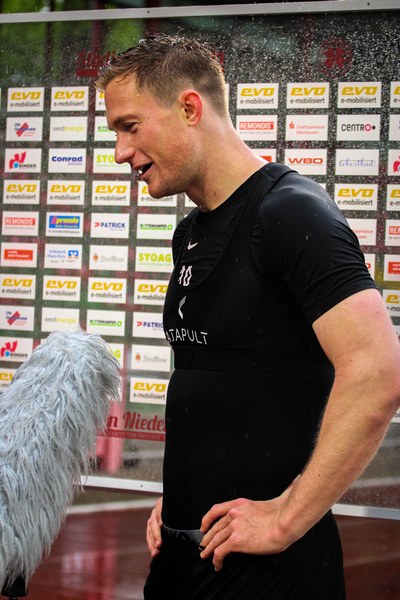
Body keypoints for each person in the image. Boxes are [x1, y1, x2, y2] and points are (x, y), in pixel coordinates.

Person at [95, 34, 400, 599]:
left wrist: (286, 517)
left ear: (190, 108)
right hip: (184, 557)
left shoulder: (291, 213)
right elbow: (223, 387)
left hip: (270, 575)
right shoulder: (191, 231)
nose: (120, 151)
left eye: (130, 127)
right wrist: (181, 497)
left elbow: (378, 373)